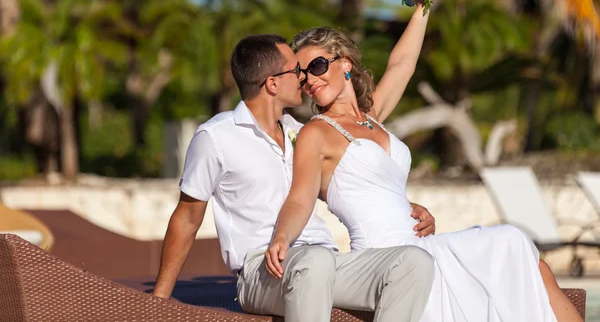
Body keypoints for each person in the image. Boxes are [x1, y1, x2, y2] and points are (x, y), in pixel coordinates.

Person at [265, 21, 584, 321]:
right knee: (511, 243)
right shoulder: (316, 133)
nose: (310, 79)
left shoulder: (372, 116)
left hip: (419, 243)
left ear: (345, 63)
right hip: (384, 259)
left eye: (317, 66)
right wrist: (282, 236)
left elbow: (402, 65)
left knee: (525, 257)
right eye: (302, 75)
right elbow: (300, 199)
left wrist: (423, 2)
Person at [152, 32, 438, 322]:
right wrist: (158, 301)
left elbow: (350, 184)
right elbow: (188, 217)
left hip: (327, 261)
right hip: (263, 270)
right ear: (273, 83)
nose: (303, 78)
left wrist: (407, 207)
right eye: (295, 70)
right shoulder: (216, 137)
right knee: (314, 262)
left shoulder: (304, 133)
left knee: (413, 262)